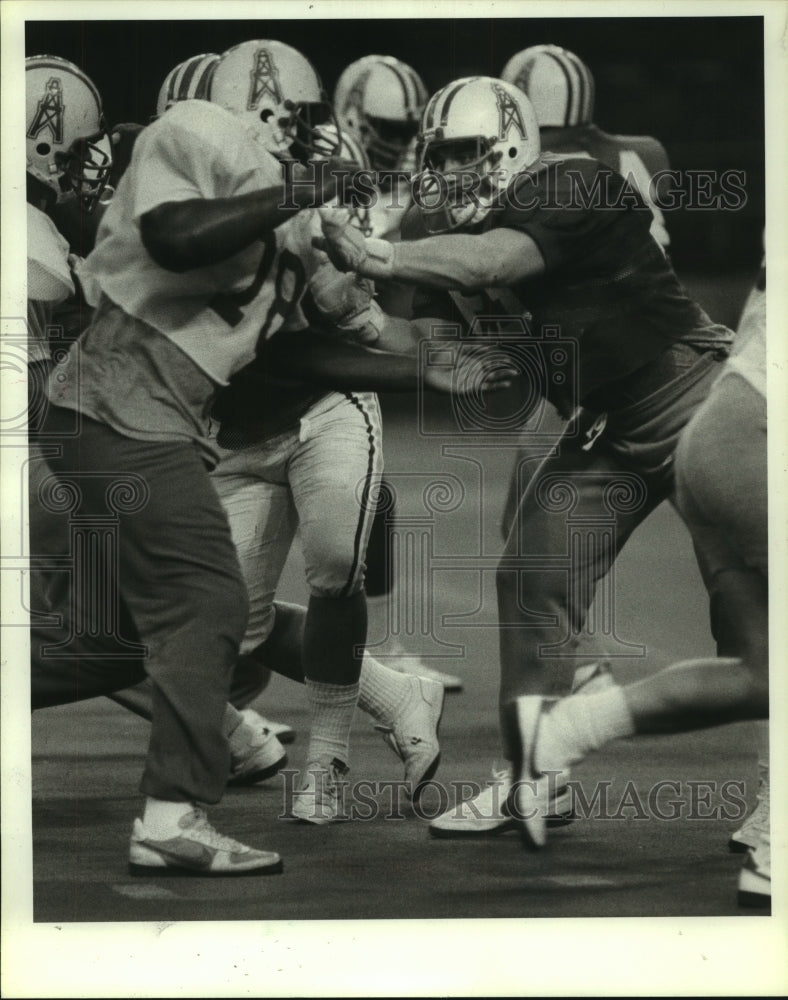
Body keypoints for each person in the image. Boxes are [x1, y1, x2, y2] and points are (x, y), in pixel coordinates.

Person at [31, 50, 513, 872]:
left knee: (119, 637)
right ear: (269, 105)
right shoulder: (197, 134)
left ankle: (175, 796)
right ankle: (170, 815)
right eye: (307, 109)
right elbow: (171, 235)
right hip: (114, 407)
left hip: (155, 423)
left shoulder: (289, 219)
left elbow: (298, 358)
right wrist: (288, 193)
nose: (319, 128)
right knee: (212, 603)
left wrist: (417, 368)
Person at [313, 75, 736, 840]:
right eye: (436, 156)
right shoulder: (447, 225)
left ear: (511, 143)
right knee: (531, 577)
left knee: (748, 615)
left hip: (692, 397)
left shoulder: (573, 182)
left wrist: (376, 254)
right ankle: (530, 782)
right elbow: (432, 344)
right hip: (606, 421)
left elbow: (493, 264)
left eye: (464, 153)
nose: (447, 172)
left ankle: (777, 798)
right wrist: (352, 313)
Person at [507, 259, 768, 909]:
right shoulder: (513, 205)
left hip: (708, 402)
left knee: (764, 662)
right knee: (531, 570)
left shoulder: (570, 191)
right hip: (730, 424)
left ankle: (560, 733)